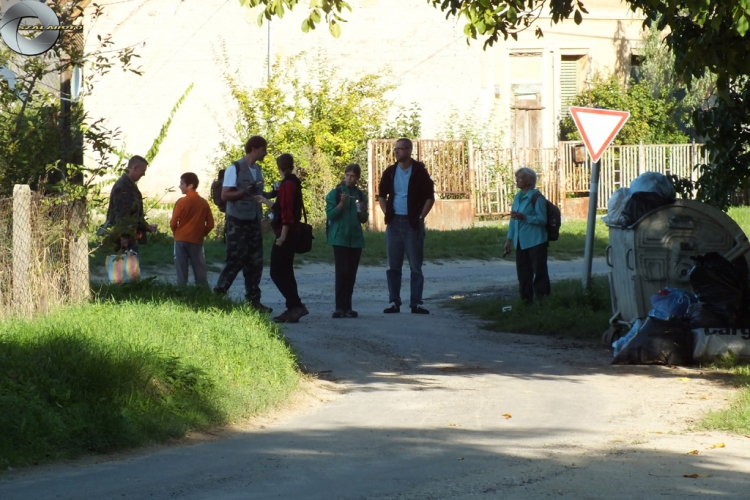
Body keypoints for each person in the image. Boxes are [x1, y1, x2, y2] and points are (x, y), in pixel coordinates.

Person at [213, 136, 272, 312]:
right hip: (237, 221)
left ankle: (254, 302)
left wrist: (273, 194)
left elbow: (258, 194)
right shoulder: (235, 168)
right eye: (263, 149)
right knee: (235, 259)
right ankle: (218, 296)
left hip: (253, 220)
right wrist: (245, 191)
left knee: (255, 261)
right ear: (254, 149)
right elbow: (225, 195)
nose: (265, 153)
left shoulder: (258, 170)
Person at [377, 138, 435, 314]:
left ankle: (416, 303)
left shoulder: (419, 172)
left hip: (412, 224)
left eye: (400, 149)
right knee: (393, 265)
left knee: (415, 266)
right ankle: (394, 302)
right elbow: (381, 196)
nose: (397, 152)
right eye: (395, 149)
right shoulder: (390, 172)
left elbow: (430, 198)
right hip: (394, 223)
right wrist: (388, 214)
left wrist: (420, 217)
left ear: (409, 150)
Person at [255, 153, 309, 323]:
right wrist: (265, 200)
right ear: (291, 166)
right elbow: (281, 207)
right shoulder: (293, 182)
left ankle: (296, 306)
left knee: (277, 271)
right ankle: (293, 307)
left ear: (279, 167)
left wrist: (282, 237)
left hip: (287, 233)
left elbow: (286, 214)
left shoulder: (286, 185)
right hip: (291, 232)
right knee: (286, 271)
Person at [326, 164, 369, 318]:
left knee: (351, 274)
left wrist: (363, 211)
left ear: (357, 178)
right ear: (344, 176)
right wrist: (341, 204)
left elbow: (363, 220)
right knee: (341, 272)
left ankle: (348, 306)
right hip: (340, 238)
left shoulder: (360, 194)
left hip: (355, 239)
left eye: (353, 176)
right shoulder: (335, 193)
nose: (350, 179)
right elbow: (331, 215)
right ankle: (339, 307)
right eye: (348, 175)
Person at [503, 167, 550, 305]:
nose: (517, 180)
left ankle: (543, 301)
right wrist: (508, 240)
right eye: (517, 177)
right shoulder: (518, 196)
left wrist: (525, 217)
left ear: (528, 182)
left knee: (539, 272)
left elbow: (542, 220)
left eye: (520, 178)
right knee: (523, 273)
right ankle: (526, 301)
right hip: (520, 241)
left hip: (536, 241)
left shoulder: (537, 198)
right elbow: (513, 220)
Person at [170, 172, 215, 286]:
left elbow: (173, 222)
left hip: (180, 239)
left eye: (182, 184)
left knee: (181, 270)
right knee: (199, 270)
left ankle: (182, 292)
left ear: (190, 186)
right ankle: (202, 292)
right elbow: (210, 224)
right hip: (196, 240)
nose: (180, 186)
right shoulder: (203, 203)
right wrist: (201, 233)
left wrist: (177, 233)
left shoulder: (181, 202)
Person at [105, 155, 157, 252]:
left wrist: (145, 227)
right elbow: (122, 214)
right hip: (124, 239)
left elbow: (133, 213)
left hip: (130, 236)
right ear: (135, 168)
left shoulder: (129, 185)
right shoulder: (124, 186)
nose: (144, 174)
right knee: (125, 266)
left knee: (130, 266)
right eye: (143, 171)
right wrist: (124, 237)